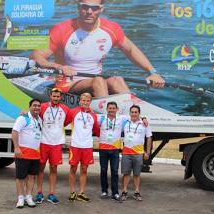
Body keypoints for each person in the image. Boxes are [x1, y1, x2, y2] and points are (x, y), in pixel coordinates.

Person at [30, 0, 165, 97]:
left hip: (95, 82)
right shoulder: (62, 29)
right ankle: (108, 121)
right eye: (85, 7)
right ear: (78, 8)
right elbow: (35, 56)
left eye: (94, 8)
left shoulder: (112, 29)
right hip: (66, 84)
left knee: (117, 80)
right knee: (99, 81)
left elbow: (131, 50)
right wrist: (57, 66)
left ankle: (133, 113)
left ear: (101, 9)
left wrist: (152, 71)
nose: (89, 12)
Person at [98, 101, 149, 202]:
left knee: (115, 171)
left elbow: (135, 115)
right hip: (103, 149)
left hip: (115, 149)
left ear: (117, 110)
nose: (111, 110)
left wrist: (144, 118)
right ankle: (104, 191)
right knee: (103, 171)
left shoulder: (122, 119)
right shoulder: (101, 119)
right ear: (106, 109)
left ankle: (115, 193)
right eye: (110, 108)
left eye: (113, 108)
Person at [35, 88, 70, 204]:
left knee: (54, 169)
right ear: (50, 96)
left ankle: (51, 194)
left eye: (57, 96)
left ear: (61, 97)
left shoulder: (65, 109)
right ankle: (39, 193)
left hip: (57, 144)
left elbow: (65, 122)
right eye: (53, 96)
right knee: (40, 168)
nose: (55, 98)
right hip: (44, 142)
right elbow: (34, 115)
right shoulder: (43, 107)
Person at [67, 93, 100, 202]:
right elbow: (61, 121)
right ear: (80, 101)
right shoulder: (73, 112)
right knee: (73, 168)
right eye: (83, 100)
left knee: (84, 169)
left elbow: (97, 131)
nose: (85, 102)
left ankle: (81, 193)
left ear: (90, 101)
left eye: (88, 100)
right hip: (75, 145)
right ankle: (72, 192)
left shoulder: (93, 115)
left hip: (87, 146)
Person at [11, 99, 43, 208]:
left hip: (35, 154)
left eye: (38, 106)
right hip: (23, 153)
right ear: (29, 107)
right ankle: (20, 198)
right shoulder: (23, 118)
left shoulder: (40, 120)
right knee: (21, 177)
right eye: (34, 105)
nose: (37, 108)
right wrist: (16, 147)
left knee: (31, 176)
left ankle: (28, 196)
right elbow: (15, 132)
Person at [121, 105, 152, 201]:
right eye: (132, 112)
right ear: (129, 113)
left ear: (139, 113)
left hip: (138, 153)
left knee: (137, 174)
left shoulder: (144, 123)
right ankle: (124, 191)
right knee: (126, 173)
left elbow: (149, 138)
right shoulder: (125, 122)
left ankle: (137, 192)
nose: (134, 114)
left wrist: (147, 152)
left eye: (136, 112)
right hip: (126, 152)